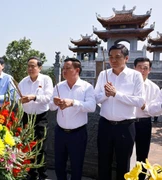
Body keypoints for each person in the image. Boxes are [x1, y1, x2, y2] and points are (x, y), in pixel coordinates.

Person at [94, 44, 145, 180]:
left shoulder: (135, 76)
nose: (113, 60)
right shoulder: (103, 74)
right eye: (111, 57)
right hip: (105, 125)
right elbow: (95, 98)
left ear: (126, 58)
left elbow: (140, 101)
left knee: (123, 163)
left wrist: (116, 94)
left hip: (125, 126)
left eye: (118, 57)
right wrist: (106, 94)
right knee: (103, 161)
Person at [49, 58, 96, 180]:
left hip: (78, 134)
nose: (64, 71)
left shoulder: (87, 87)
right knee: (59, 165)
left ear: (77, 70)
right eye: (63, 68)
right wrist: (54, 102)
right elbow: (51, 107)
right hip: (60, 132)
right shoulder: (59, 86)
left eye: (67, 68)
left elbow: (91, 107)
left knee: (76, 165)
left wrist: (73, 103)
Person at [18, 56, 53, 180]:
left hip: (40, 118)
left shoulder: (46, 79)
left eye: (33, 66)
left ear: (40, 67)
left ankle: (43, 175)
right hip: (26, 117)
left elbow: (48, 98)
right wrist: (21, 100)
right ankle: (31, 174)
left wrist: (34, 97)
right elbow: (17, 97)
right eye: (29, 66)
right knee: (27, 147)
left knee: (41, 148)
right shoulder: (23, 81)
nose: (30, 68)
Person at [133, 57, 160, 180]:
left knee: (142, 154)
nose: (142, 70)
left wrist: (144, 108)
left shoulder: (154, 88)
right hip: (128, 122)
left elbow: (155, 110)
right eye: (140, 67)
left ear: (150, 70)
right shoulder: (129, 85)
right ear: (134, 68)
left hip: (144, 123)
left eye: (145, 68)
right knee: (125, 153)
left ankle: (141, 177)